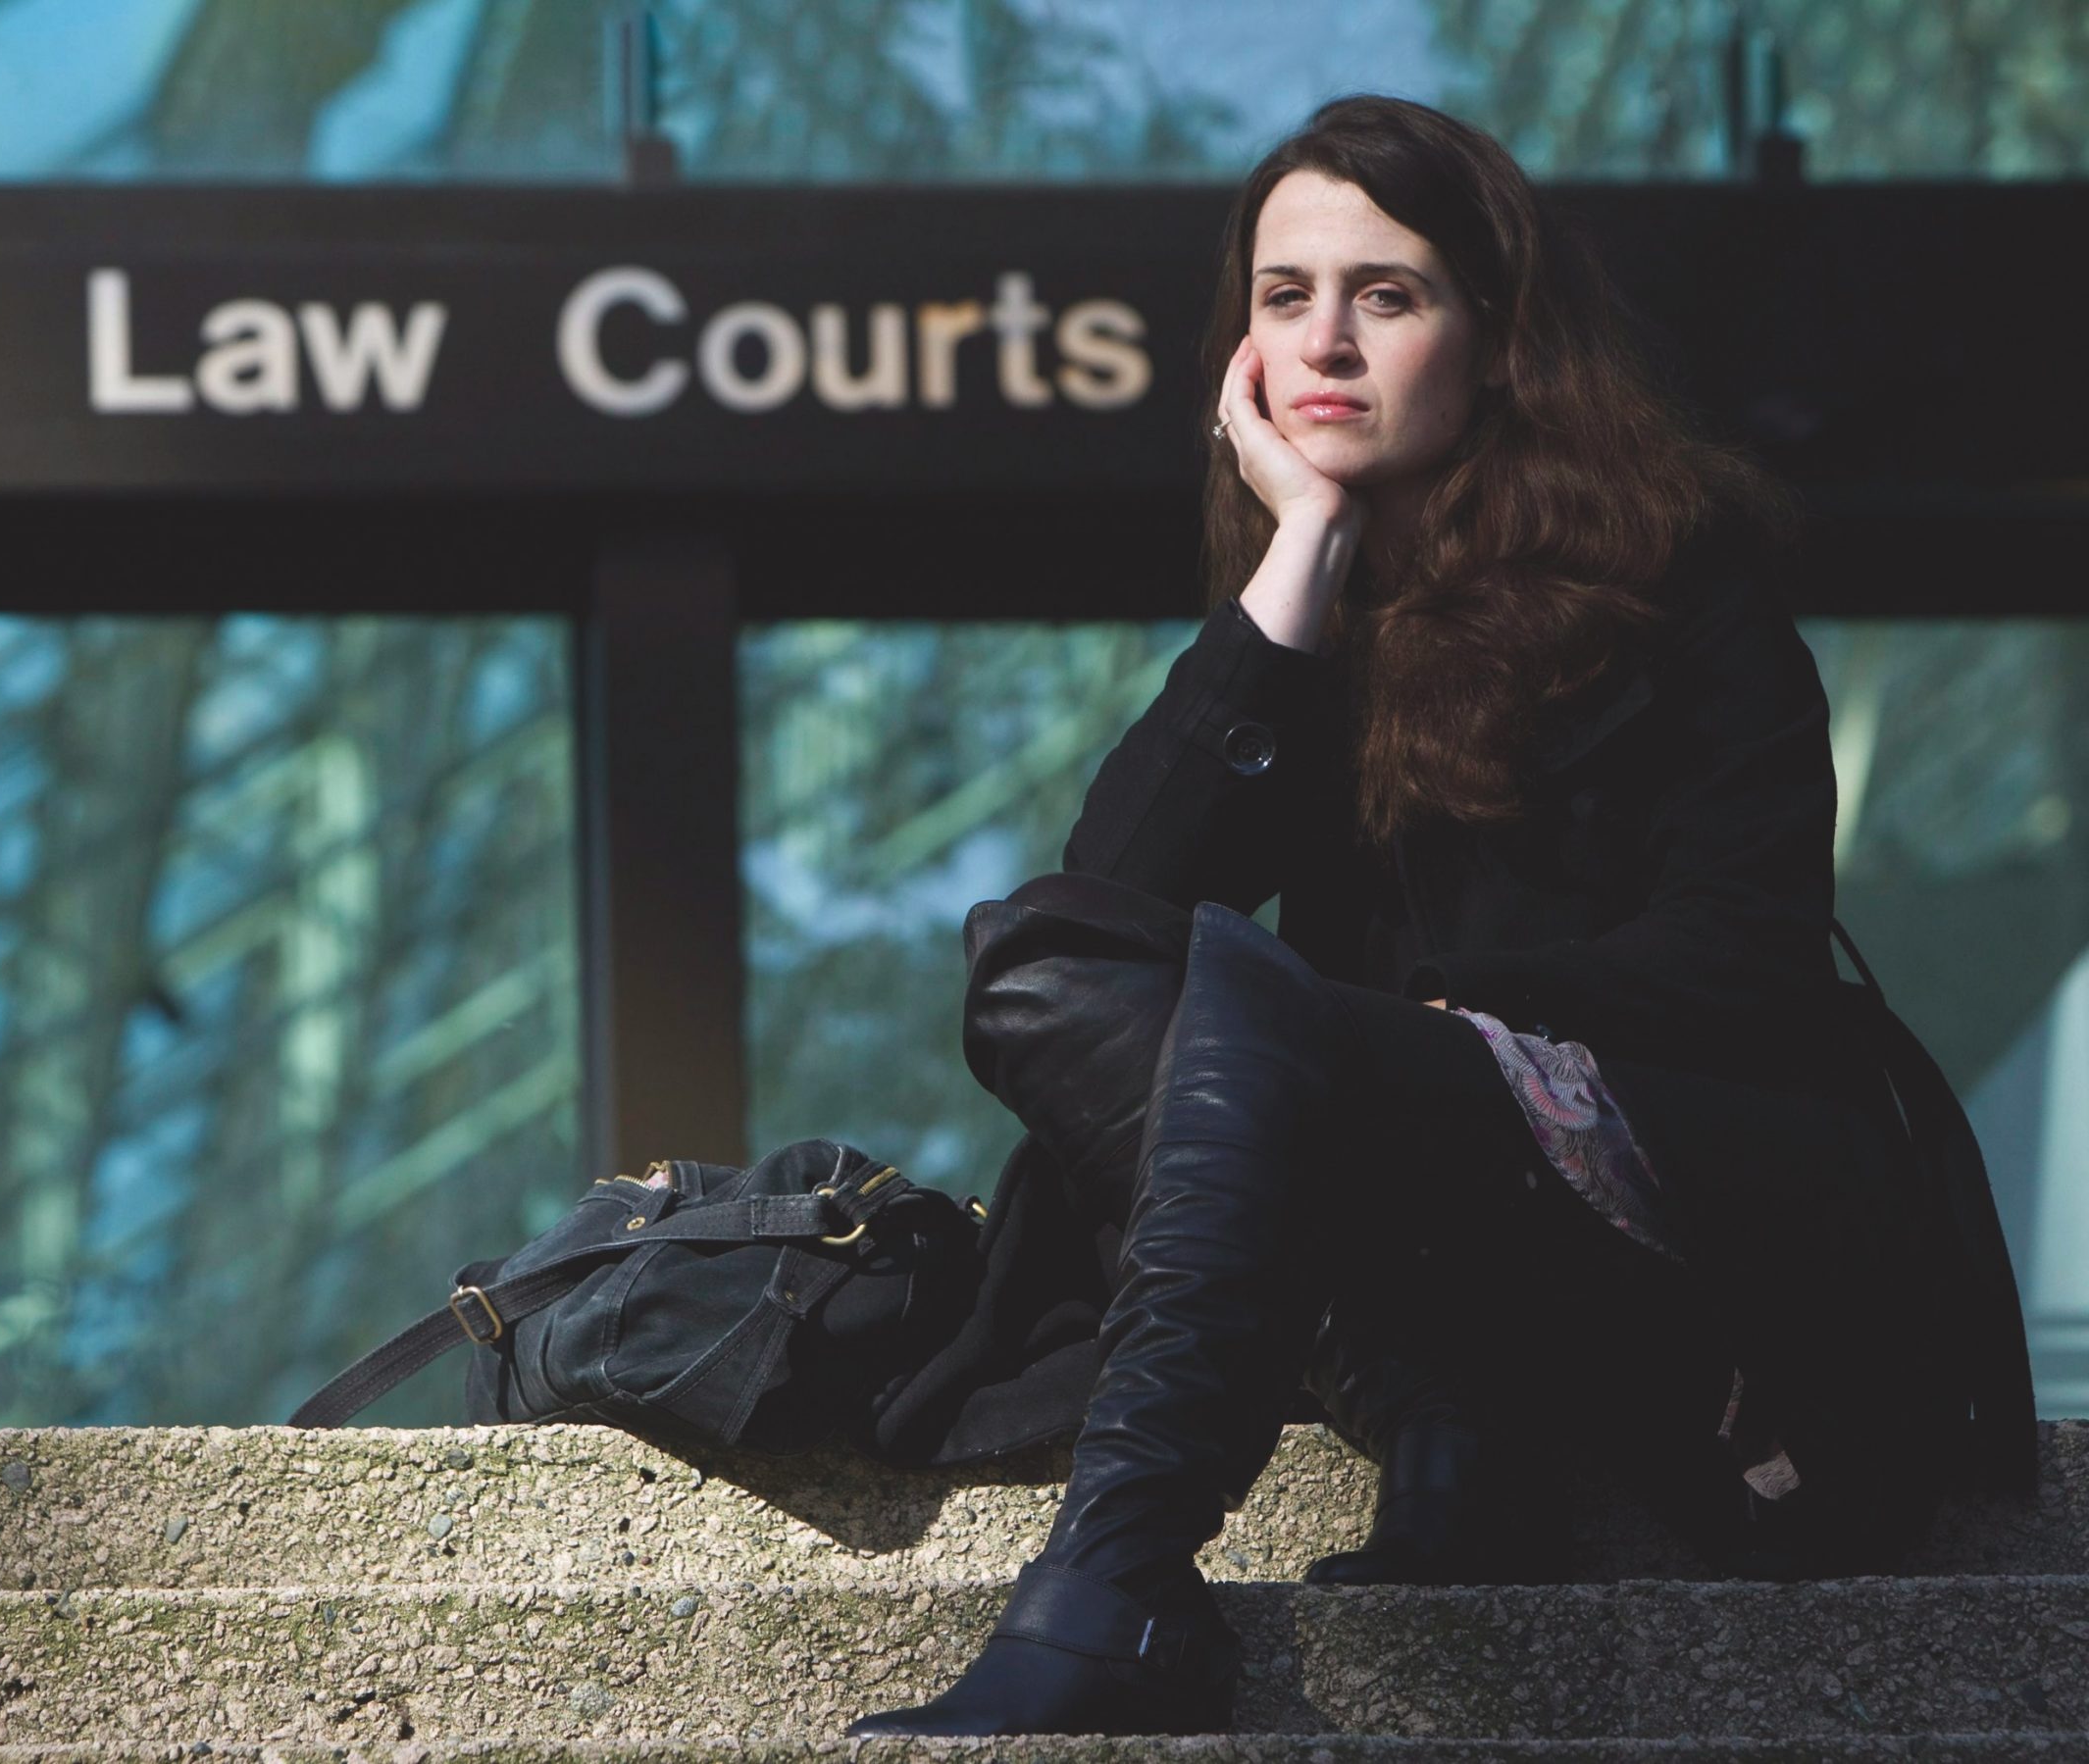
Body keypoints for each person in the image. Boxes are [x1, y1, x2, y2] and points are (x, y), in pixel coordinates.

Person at [844, 92, 2031, 1739]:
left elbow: (1744, 952)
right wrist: (1303, 547)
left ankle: (1110, 1582)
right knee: (1055, 969)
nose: (1324, 338)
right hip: (1408, 1212)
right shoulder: (1311, 623)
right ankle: (1439, 1431)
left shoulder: (1674, 577)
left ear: (1494, 339)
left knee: (1249, 1015)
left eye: (1386, 296)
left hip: (1684, 1214)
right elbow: (1093, 919)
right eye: (1283, 298)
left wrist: (1437, 1025)